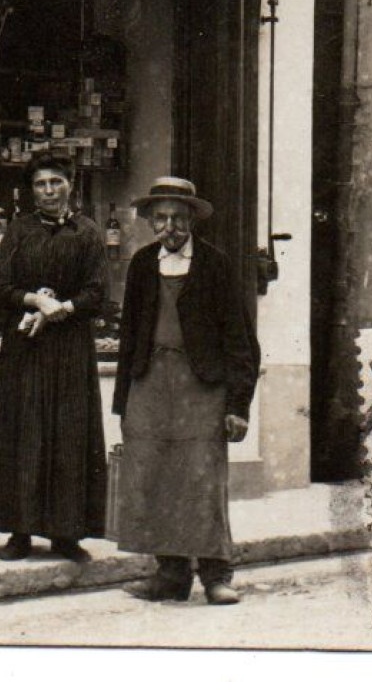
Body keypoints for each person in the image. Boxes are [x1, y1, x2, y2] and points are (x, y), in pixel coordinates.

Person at [114, 177, 260, 606]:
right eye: (160, 217)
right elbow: (128, 337)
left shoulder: (215, 264)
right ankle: (170, 576)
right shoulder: (141, 264)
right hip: (150, 384)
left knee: (203, 479)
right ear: (149, 222)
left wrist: (238, 405)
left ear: (192, 219)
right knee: (155, 478)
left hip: (201, 387)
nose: (170, 226)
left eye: (178, 217)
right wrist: (123, 400)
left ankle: (217, 575)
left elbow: (240, 339)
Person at [0, 150, 110, 563]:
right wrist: (34, 299)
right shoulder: (19, 231)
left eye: (55, 182)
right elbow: (0, 285)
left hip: (70, 346)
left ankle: (66, 534)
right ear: (31, 190)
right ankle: (19, 532)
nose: (48, 190)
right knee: (24, 432)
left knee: (69, 435)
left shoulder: (88, 233)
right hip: (26, 347)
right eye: (40, 184)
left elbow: (97, 293)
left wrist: (62, 310)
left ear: (71, 184)